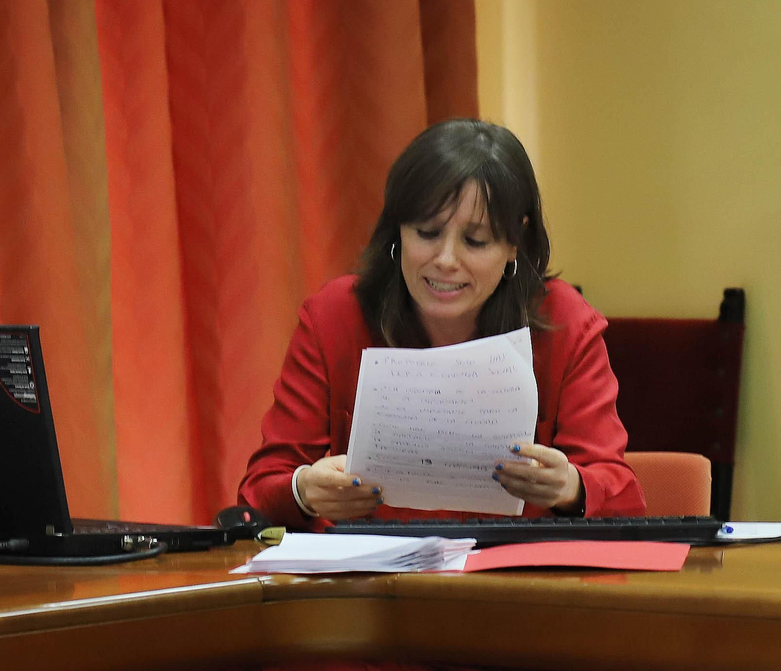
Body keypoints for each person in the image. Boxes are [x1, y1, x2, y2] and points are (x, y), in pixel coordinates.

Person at [238, 118, 645, 528]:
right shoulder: (335, 316)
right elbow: (258, 492)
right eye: (427, 233)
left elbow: (623, 496)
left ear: (514, 242)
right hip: (370, 581)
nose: (446, 260)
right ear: (398, 230)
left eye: (476, 241)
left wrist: (571, 488)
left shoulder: (564, 322)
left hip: (517, 580)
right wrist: (304, 491)